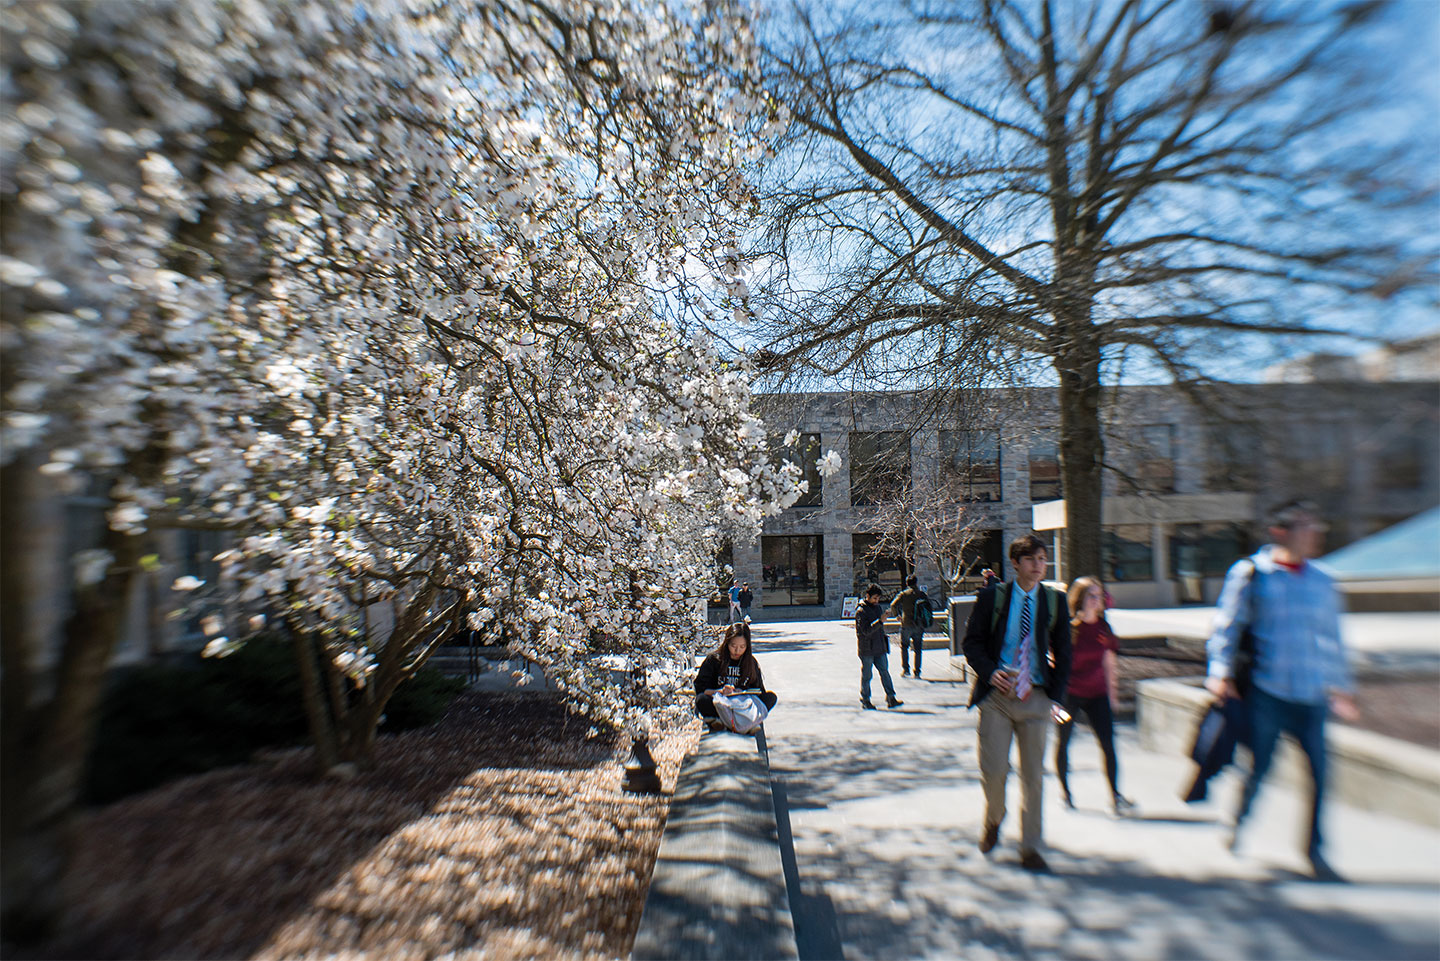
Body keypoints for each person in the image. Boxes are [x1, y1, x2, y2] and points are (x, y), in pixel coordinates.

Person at [1206, 500, 1358, 882]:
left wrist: (1343, 687)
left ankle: (1315, 851)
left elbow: (1334, 637)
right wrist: (1220, 673)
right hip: (1267, 692)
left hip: (1312, 695)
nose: (1314, 533)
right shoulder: (1252, 574)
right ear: (1281, 532)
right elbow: (1227, 625)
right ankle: (1239, 822)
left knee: (1321, 775)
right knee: (1259, 769)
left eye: (1315, 525)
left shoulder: (1323, 580)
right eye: (1305, 526)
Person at [962, 534, 1071, 872]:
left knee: (1033, 777)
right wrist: (990, 671)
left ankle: (1031, 848)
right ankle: (995, 817)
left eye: (1043, 559)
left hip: (1036, 697)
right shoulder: (993, 597)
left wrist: (1055, 699)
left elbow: (1065, 654)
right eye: (1032, 559)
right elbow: (972, 643)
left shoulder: (1054, 601)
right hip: (998, 698)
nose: (1039, 565)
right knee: (993, 772)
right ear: (1015, 563)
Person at [1055, 575, 1133, 816]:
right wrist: (1054, 699)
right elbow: (1056, 664)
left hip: (1097, 694)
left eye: (1098, 596)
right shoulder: (1069, 630)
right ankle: (1066, 793)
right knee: (1064, 743)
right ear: (1080, 598)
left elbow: (1110, 664)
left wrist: (1113, 696)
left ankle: (1115, 795)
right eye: (1091, 595)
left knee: (1108, 744)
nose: (1095, 600)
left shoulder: (1104, 628)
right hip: (1069, 696)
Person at [695, 622, 778, 727]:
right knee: (702, 700)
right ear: (727, 643)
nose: (737, 651)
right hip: (719, 704)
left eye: (742, 647)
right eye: (733, 646)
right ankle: (722, 721)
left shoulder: (750, 662)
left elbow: (759, 691)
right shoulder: (714, 660)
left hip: (743, 706)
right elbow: (700, 689)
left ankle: (743, 722)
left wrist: (743, 692)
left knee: (770, 697)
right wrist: (720, 691)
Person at [856, 583, 903, 710]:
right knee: (867, 675)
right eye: (874, 598)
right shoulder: (861, 611)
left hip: (879, 646)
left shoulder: (877, 608)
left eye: (878, 599)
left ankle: (891, 697)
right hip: (867, 649)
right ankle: (865, 699)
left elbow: (879, 628)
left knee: (885, 672)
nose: (877, 601)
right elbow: (864, 631)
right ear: (868, 596)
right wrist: (880, 621)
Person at [887, 575, 929, 678]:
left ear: (906, 583)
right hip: (919, 624)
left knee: (905, 647)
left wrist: (897, 615)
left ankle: (906, 669)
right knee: (918, 649)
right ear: (916, 582)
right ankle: (917, 672)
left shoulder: (904, 594)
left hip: (906, 624)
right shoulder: (921, 594)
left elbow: (893, 604)